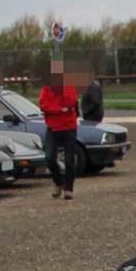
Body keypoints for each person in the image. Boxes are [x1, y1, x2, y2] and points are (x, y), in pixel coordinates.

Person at [38, 59, 87, 200]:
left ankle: (68, 188)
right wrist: (59, 110)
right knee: (49, 156)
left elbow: (70, 103)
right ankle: (58, 182)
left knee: (70, 158)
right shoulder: (47, 87)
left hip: (69, 126)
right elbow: (43, 105)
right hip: (52, 126)